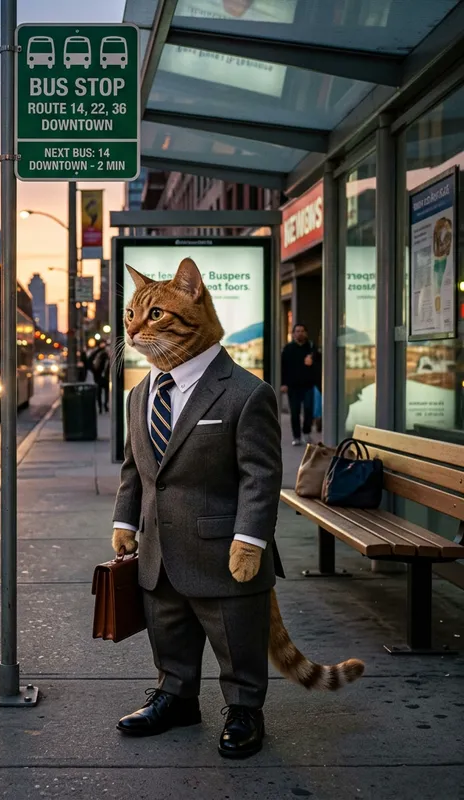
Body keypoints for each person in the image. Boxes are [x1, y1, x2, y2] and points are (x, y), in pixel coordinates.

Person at [111, 260, 361, 761]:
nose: (135, 330)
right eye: (131, 316)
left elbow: (261, 476)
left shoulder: (248, 393)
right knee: (168, 629)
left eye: (152, 316)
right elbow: (135, 466)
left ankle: (245, 708)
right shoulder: (140, 394)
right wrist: (123, 520)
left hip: (224, 551)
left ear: (194, 302)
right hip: (160, 550)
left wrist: (251, 539)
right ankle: (175, 696)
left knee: (236, 636)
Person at [280, 323, 316, 446]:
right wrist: (283, 383)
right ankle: (296, 436)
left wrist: (313, 362)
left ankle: (306, 432)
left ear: (306, 333)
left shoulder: (311, 348)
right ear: (293, 333)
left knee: (308, 410)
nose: (300, 333)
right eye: (297, 331)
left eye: (302, 331)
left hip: (308, 385)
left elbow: (319, 366)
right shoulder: (288, 349)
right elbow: (283, 368)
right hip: (293, 386)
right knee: (294, 412)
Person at [91, 340, 110, 413]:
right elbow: (93, 363)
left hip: (106, 378)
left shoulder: (110, 358)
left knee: (106, 392)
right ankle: (100, 407)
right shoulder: (101, 356)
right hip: (99, 377)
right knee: (99, 393)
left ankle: (105, 405)